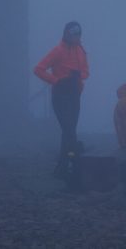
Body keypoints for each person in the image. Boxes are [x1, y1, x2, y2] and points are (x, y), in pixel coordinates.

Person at [34, 21, 90, 177]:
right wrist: (57, 80)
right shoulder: (58, 51)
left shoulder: (81, 50)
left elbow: (86, 71)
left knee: (69, 132)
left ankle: (63, 165)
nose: (76, 36)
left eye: (78, 33)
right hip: (60, 95)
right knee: (69, 130)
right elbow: (38, 69)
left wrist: (79, 76)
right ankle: (74, 161)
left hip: (75, 95)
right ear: (66, 33)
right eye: (73, 33)